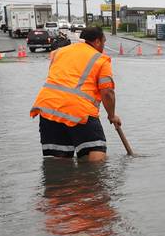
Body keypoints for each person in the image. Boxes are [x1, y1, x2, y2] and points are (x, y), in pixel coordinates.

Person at [30, 26, 122, 162]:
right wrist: (112, 115)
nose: (104, 45)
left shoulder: (59, 52)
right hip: (79, 111)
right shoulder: (101, 59)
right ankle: (94, 181)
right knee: (96, 151)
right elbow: (107, 93)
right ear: (97, 41)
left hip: (48, 108)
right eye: (104, 41)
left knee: (59, 160)